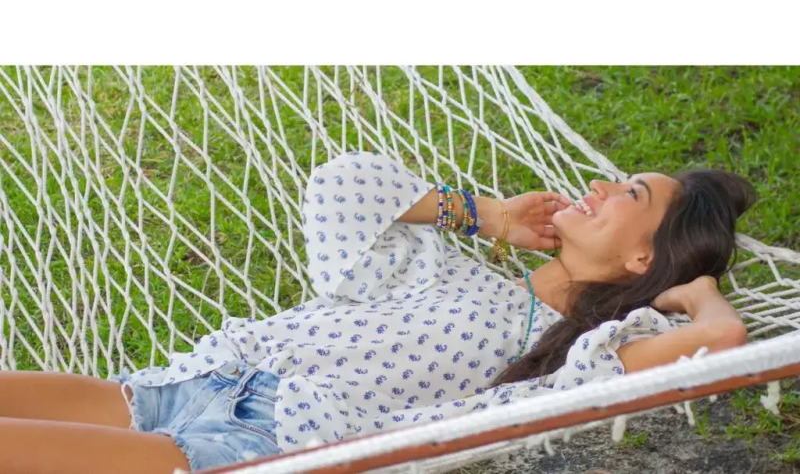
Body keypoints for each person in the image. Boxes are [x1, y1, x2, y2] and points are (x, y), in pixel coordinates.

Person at [0, 151, 755, 473]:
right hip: (195, 384)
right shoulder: (438, 270)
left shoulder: (572, 358)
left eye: (629, 194)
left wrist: (693, 294)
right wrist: (488, 216)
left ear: (642, 260)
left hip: (261, 443)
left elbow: (721, 339)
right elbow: (343, 185)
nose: (600, 187)